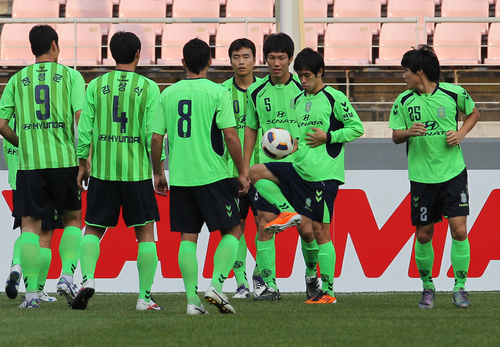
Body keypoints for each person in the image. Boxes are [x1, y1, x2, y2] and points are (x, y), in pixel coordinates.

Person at [249, 48, 364, 303]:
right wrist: (289, 147)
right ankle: (288, 211)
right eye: (300, 76)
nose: (303, 81)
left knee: (320, 232)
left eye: (308, 76)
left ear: (320, 73)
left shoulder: (334, 97)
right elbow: (302, 136)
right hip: (298, 168)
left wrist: (329, 136)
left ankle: (329, 292)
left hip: (323, 175)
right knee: (255, 172)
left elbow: (357, 128)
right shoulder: (299, 100)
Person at [151, 38, 250, 315]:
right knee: (233, 231)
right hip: (214, 174)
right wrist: (242, 172)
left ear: (183, 63)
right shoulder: (218, 92)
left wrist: (158, 172)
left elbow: (156, 138)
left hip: (182, 177)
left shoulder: (167, 94)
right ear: (210, 61)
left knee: (187, 238)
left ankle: (192, 303)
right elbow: (231, 135)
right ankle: (217, 285)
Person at [73, 31, 161, 311]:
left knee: (92, 230)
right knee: (145, 234)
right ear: (138, 54)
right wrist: (157, 169)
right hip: (136, 174)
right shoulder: (149, 87)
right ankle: (144, 298)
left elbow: (83, 129)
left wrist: (83, 163)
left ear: (112, 53)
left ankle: (87, 279)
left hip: (103, 173)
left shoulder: (96, 85)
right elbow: (152, 133)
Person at [0, 25, 85, 309]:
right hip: (64, 162)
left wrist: (21, 140)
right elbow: (81, 119)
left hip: (29, 165)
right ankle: (66, 276)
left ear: (32, 48)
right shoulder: (71, 76)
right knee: (72, 220)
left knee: (30, 229)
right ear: (54, 45)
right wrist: (84, 158)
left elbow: (1, 124)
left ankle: (32, 296)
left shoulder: (16, 79)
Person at [388, 45, 479, 309]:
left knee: (459, 230)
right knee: (424, 235)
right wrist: (408, 132)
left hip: (453, 173)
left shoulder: (454, 93)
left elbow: (474, 113)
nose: (403, 76)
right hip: (422, 177)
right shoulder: (403, 101)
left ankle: (460, 288)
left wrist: (461, 133)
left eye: (406, 71)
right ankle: (428, 288)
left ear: (419, 72)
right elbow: (395, 136)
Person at [244, 33, 320, 301]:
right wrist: (245, 169)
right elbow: (250, 131)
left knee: (307, 229)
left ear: (290, 59)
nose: (276, 63)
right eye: (272, 58)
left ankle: (312, 278)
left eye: (282, 58)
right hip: (268, 169)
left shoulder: (304, 89)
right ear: (265, 59)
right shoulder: (255, 92)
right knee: (264, 225)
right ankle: (270, 285)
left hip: (300, 169)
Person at [221, 38, 266, 299]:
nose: (241, 61)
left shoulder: (264, 90)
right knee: (235, 227)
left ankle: (261, 276)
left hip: (262, 171)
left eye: (246, 56)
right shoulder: (221, 92)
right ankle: (241, 283)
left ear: (254, 59)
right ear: (230, 60)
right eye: (236, 56)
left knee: (265, 224)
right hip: (230, 171)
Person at [4, 115, 63, 303]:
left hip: (17, 179)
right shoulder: (33, 109)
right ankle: (37, 290)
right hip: (41, 174)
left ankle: (16, 265)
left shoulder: (7, 114)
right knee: (44, 236)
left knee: (27, 231)